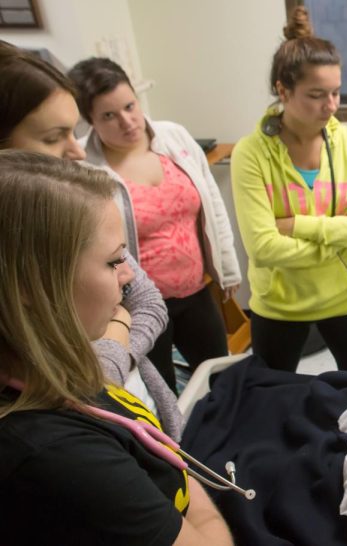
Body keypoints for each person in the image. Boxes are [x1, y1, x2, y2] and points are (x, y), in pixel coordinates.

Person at [0, 151, 232, 545]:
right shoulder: (59, 456)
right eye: (113, 262)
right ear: (30, 284)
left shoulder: (59, 370)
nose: (129, 276)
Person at [0, 41, 182, 438]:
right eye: (53, 137)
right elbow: (83, 390)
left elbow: (148, 302)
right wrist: (118, 328)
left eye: (74, 131)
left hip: (144, 416)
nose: (76, 152)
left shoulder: (79, 211)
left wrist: (111, 348)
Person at [231, 6, 347, 377]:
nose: (331, 106)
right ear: (282, 91)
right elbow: (263, 248)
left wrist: (297, 225)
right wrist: (346, 228)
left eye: (336, 93)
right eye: (317, 95)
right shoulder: (251, 153)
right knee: (271, 399)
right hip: (279, 306)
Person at [68, 57, 241, 394]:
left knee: (221, 375)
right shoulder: (87, 169)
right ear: (90, 122)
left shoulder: (173, 137)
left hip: (196, 289)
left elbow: (212, 203)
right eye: (109, 116)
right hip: (139, 303)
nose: (127, 121)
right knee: (158, 386)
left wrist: (228, 268)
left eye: (130, 106)